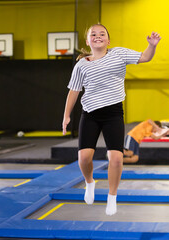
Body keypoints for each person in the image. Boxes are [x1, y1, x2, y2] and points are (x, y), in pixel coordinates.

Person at [62, 23, 161, 215]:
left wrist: (153, 45)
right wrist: (66, 115)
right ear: (88, 40)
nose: (98, 36)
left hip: (113, 114)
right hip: (90, 114)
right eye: (93, 34)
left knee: (115, 158)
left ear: (108, 40)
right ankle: (89, 182)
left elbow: (145, 57)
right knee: (84, 158)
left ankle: (112, 196)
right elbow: (73, 91)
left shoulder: (119, 54)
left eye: (102, 34)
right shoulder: (81, 65)